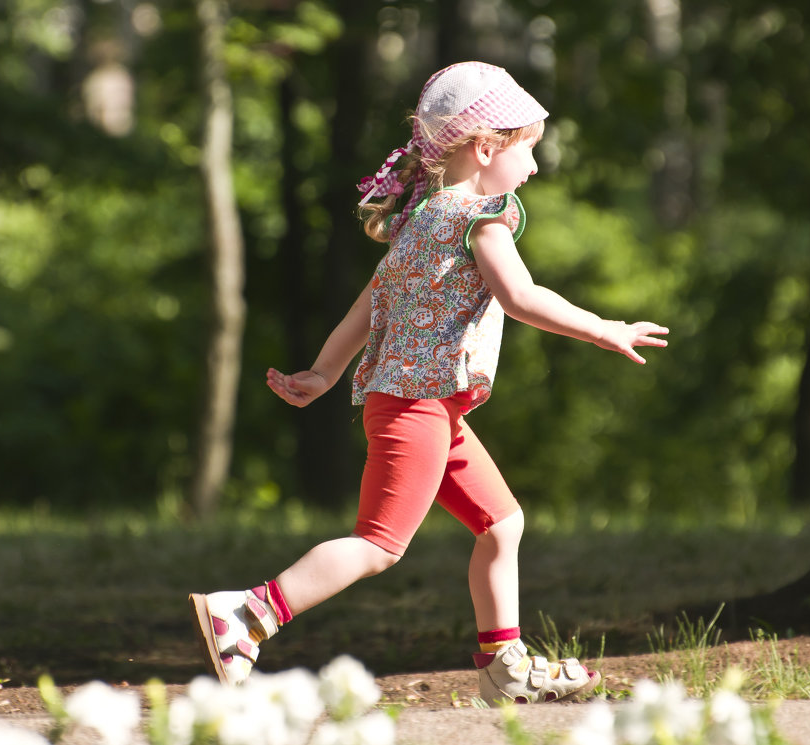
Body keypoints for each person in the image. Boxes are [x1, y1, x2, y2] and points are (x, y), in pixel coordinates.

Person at [189, 61, 669, 704]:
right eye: (529, 150)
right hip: (417, 408)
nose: (532, 168)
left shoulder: (422, 217)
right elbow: (520, 295)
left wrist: (325, 371)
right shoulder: (481, 216)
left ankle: (506, 666)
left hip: (426, 407)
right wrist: (602, 328)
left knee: (502, 524)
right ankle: (250, 613)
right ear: (487, 147)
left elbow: (370, 302)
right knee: (379, 544)